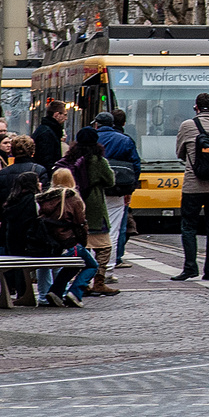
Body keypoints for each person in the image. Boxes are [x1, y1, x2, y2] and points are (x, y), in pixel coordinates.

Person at [56, 126, 121, 295]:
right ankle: (98, 281)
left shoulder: (70, 159)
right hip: (94, 209)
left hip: (73, 207)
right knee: (104, 246)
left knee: (81, 248)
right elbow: (110, 181)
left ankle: (80, 280)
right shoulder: (98, 160)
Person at [172, 92, 209, 281]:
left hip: (193, 186)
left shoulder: (187, 126)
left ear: (196, 106)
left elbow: (179, 153)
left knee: (189, 227)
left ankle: (190, 268)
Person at [38, 167, 97, 307]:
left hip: (49, 243)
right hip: (68, 242)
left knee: (72, 266)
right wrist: (82, 242)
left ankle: (56, 292)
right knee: (92, 265)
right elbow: (80, 224)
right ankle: (75, 292)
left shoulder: (44, 198)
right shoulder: (72, 198)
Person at [94, 111, 140, 271]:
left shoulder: (90, 140)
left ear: (96, 124)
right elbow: (136, 165)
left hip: (93, 190)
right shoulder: (125, 140)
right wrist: (130, 189)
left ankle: (91, 266)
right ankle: (108, 267)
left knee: (91, 229)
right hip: (118, 190)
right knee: (114, 229)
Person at [0, 170, 44, 308]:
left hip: (12, 239)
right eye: (37, 181)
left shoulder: (12, 201)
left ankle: (21, 292)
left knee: (18, 265)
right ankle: (26, 294)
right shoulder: (32, 199)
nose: (40, 184)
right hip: (28, 239)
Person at [31, 100, 67, 171]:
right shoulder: (47, 133)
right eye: (64, 115)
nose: (66, 118)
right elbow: (46, 160)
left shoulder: (47, 130)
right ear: (56, 115)